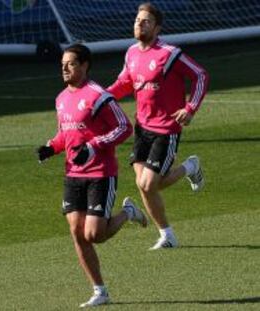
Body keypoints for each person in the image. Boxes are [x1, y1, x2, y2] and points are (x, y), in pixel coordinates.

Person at [36, 44, 148, 308]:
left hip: (100, 174)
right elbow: (67, 134)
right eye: (62, 63)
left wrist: (93, 146)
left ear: (85, 66)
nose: (64, 68)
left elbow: (124, 127)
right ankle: (100, 291)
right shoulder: (61, 98)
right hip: (73, 174)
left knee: (95, 235)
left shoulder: (99, 96)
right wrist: (51, 147)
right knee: (77, 232)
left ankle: (128, 213)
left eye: (71, 63)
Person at [107, 2, 209, 250]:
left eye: (146, 21)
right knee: (144, 184)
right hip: (143, 128)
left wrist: (189, 108)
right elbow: (124, 83)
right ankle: (167, 235)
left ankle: (189, 167)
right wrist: (100, 99)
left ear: (157, 27)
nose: (140, 24)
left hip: (166, 129)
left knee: (149, 184)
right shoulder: (131, 53)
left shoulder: (169, 53)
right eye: (137, 20)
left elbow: (200, 75)